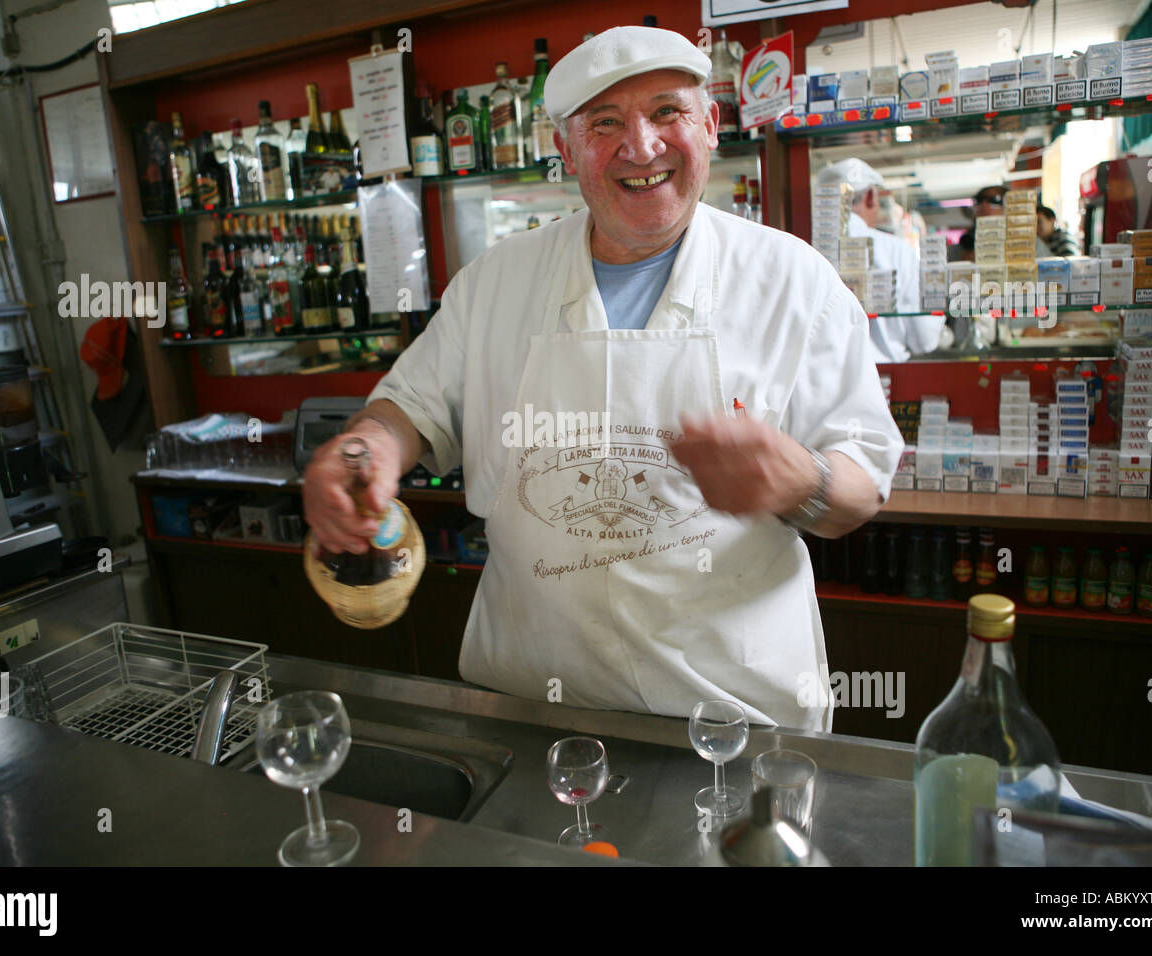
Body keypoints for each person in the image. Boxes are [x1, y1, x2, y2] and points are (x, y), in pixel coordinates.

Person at [303, 26, 903, 730]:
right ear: (565, 149)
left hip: (732, 717)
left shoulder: (795, 281)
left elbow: (862, 483)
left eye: (667, 113)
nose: (641, 147)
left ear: (710, 126)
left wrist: (804, 480)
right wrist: (363, 451)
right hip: (531, 707)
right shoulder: (495, 282)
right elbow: (405, 410)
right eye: (605, 123)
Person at [817, 158, 943, 363]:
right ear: (869, 197)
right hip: (885, 377)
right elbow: (925, 339)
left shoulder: (808, 249)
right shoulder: (898, 251)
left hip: (822, 382)